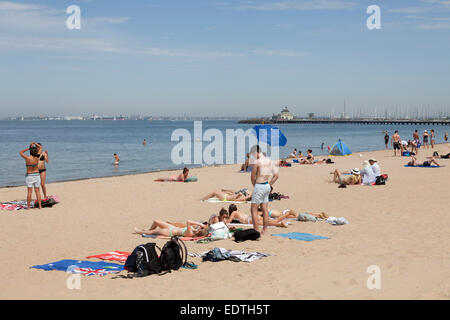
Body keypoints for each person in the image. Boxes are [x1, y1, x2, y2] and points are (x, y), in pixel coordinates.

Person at [249, 145, 279, 234]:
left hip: (259, 185)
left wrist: (255, 186)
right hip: (266, 185)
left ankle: (256, 230)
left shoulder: (257, 162)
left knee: (253, 209)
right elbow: (276, 175)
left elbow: (252, 176)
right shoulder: (270, 161)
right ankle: (265, 229)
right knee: (264, 209)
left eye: (253, 154)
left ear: (256, 152)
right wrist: (269, 185)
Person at [19, 143, 42, 209]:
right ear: (36, 151)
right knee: (37, 191)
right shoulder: (37, 157)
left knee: (29, 192)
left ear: (30, 151)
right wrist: (35, 143)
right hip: (37, 175)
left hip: (29, 176)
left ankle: (28, 207)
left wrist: (28, 148)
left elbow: (20, 152)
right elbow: (40, 148)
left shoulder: (27, 158)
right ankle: (40, 206)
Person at [133, 220, 209, 237]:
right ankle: (147, 230)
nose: (200, 227)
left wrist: (200, 224)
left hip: (170, 232)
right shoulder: (194, 230)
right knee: (156, 221)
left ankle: (139, 231)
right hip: (172, 228)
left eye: (201, 228)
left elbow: (188, 222)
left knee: (153, 232)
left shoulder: (190, 233)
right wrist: (199, 227)